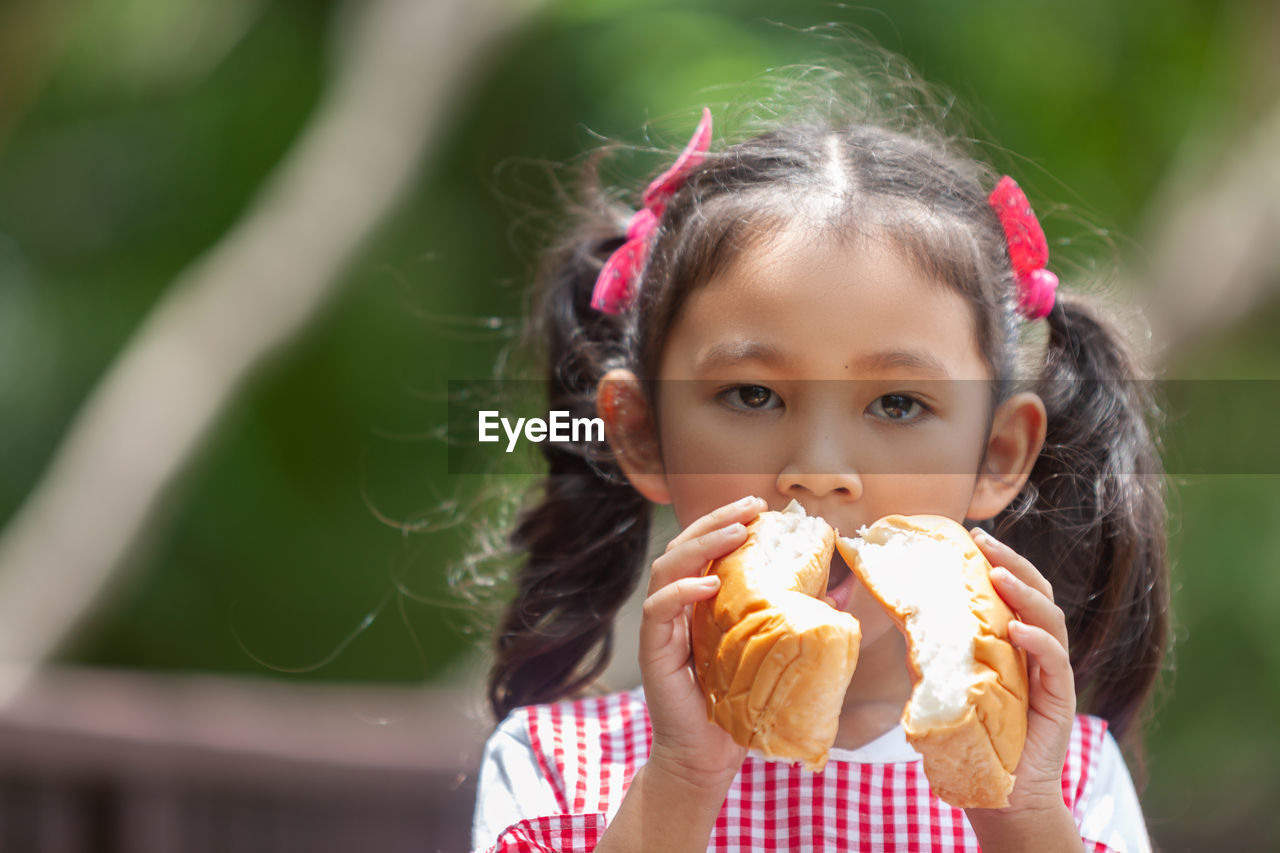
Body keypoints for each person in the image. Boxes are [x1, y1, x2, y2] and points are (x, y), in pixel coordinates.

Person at [469, 74, 1170, 852]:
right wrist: (684, 779)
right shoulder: (559, 767)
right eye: (753, 394)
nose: (819, 469)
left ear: (997, 454)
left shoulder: (1063, 780)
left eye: (898, 403)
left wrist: (1013, 809)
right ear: (641, 434)